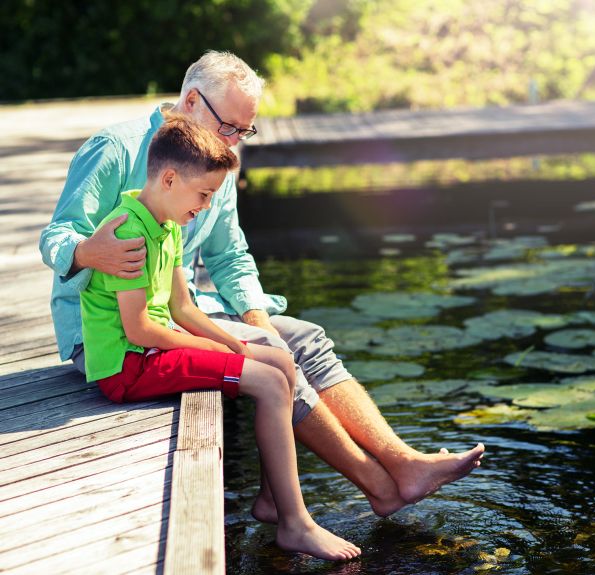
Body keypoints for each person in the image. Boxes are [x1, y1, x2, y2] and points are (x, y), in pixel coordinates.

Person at [39, 50, 484, 521]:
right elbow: (57, 235)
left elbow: (229, 256)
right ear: (191, 101)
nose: (233, 142)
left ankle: (402, 462)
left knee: (303, 337)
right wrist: (87, 252)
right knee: (274, 360)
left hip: (177, 311)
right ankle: (375, 484)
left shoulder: (215, 162)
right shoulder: (117, 148)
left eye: (243, 131)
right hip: (107, 333)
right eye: (228, 126)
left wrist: (257, 320)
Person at [81, 115, 361, 560]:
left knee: (280, 359)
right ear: (169, 179)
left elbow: (183, 308)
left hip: (154, 346)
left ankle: (273, 500)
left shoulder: (167, 223)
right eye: (204, 195)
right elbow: (139, 329)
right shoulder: (130, 232)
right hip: (127, 366)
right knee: (267, 382)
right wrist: (219, 350)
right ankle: (296, 524)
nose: (207, 206)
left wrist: (238, 344)